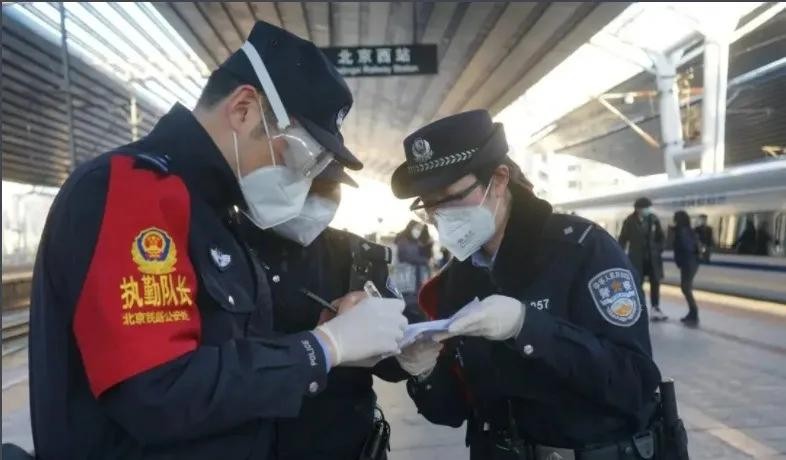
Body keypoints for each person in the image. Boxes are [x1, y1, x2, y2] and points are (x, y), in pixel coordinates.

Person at [28, 21, 408, 459]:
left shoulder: (216, 213)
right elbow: (158, 391)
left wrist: (327, 330)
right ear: (243, 108)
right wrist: (322, 347)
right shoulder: (135, 192)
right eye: (297, 156)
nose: (302, 181)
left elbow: (225, 354)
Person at [390, 110, 662, 459]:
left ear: (499, 180)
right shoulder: (455, 282)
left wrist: (527, 326)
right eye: (428, 206)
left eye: (450, 198)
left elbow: (635, 383)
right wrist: (423, 371)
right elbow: (453, 412)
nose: (438, 217)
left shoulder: (582, 251)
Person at [239, 163, 432, 459]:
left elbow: (390, 350)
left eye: (328, 189)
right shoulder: (226, 245)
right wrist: (325, 342)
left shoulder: (355, 257)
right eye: (308, 187)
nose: (317, 200)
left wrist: (408, 355)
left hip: (342, 443)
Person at [618, 197, 667, 320]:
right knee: (638, 284)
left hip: (652, 258)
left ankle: (655, 308)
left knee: (655, 283)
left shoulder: (654, 219)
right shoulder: (629, 221)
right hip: (637, 258)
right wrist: (620, 255)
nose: (648, 210)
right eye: (646, 208)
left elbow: (661, 237)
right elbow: (623, 239)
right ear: (638, 209)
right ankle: (642, 308)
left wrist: (658, 249)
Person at [673, 211, 700, 325]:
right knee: (686, 288)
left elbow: (687, 247)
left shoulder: (682, 231)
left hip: (688, 262)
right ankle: (692, 312)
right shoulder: (689, 231)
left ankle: (694, 313)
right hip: (691, 262)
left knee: (686, 288)